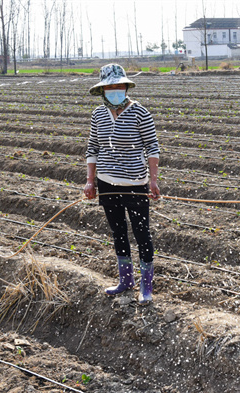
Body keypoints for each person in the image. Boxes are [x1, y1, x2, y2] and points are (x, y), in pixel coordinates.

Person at [84, 63, 161, 305]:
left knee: (141, 232)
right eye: (110, 87)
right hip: (106, 183)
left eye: (119, 86)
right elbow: (92, 148)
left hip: (135, 183)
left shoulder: (140, 113)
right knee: (118, 232)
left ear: (126, 87)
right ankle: (125, 280)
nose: (115, 90)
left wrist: (154, 180)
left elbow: (152, 147)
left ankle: (146, 286)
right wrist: (90, 181)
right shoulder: (98, 114)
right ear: (103, 90)